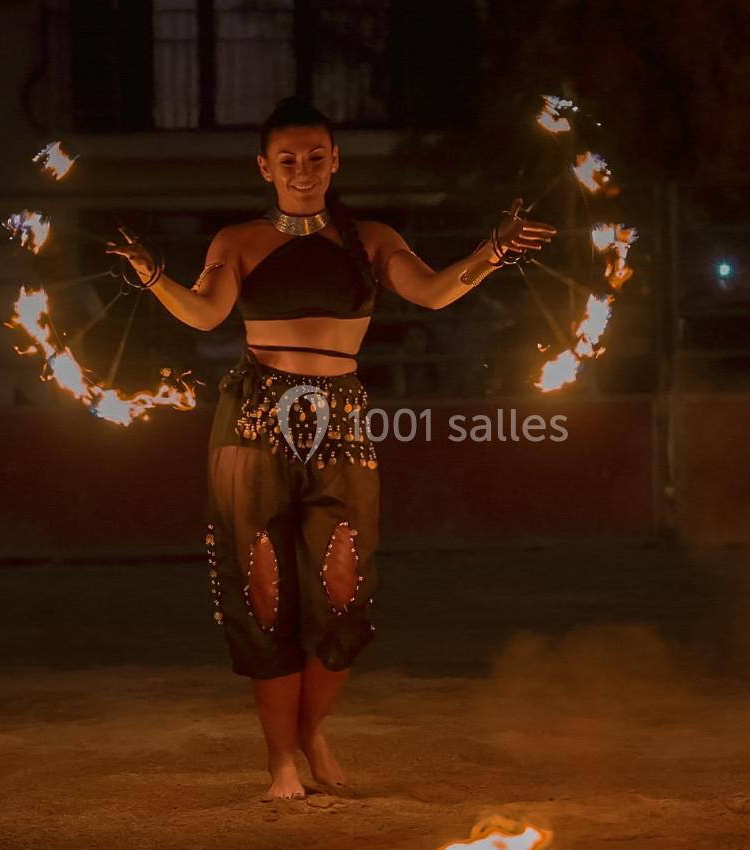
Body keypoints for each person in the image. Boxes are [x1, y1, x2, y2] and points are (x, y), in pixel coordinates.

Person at [107, 97, 555, 801]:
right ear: (264, 167)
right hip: (253, 421)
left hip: (342, 420)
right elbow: (204, 312)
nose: (303, 169)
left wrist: (492, 252)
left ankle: (311, 732)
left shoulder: (371, 238)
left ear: (335, 160)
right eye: (287, 159)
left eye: (316, 156)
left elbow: (434, 293)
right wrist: (151, 275)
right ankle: (280, 759)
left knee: (344, 593)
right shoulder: (238, 241)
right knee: (263, 591)